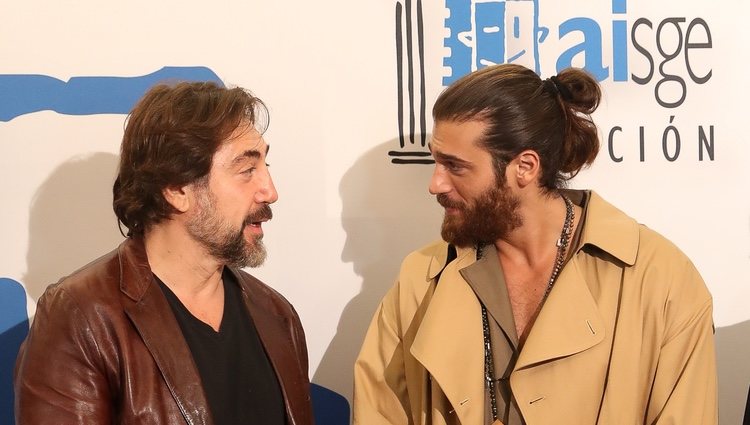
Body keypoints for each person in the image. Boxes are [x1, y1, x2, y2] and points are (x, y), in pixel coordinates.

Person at [353, 64, 717, 424]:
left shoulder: (662, 281)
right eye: (436, 162)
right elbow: (379, 410)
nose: (435, 184)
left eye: (455, 166)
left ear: (525, 167)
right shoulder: (420, 281)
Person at [14, 82, 314, 424]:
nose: (270, 191)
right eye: (247, 170)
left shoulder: (276, 315)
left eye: (265, 166)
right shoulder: (82, 319)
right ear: (176, 189)